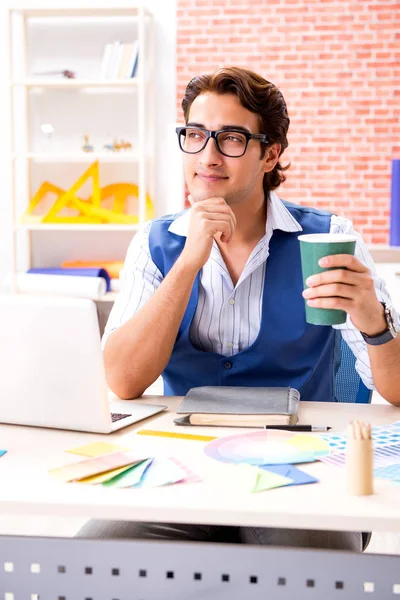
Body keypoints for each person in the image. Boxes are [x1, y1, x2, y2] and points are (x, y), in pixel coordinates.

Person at [78, 67, 400, 551]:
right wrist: (189, 263)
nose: (207, 156)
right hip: (184, 465)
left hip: (303, 467)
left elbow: (395, 393)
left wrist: (375, 322)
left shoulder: (329, 237)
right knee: (94, 558)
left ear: (270, 154)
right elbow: (123, 381)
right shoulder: (156, 243)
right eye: (195, 135)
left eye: (230, 138)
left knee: (313, 569)